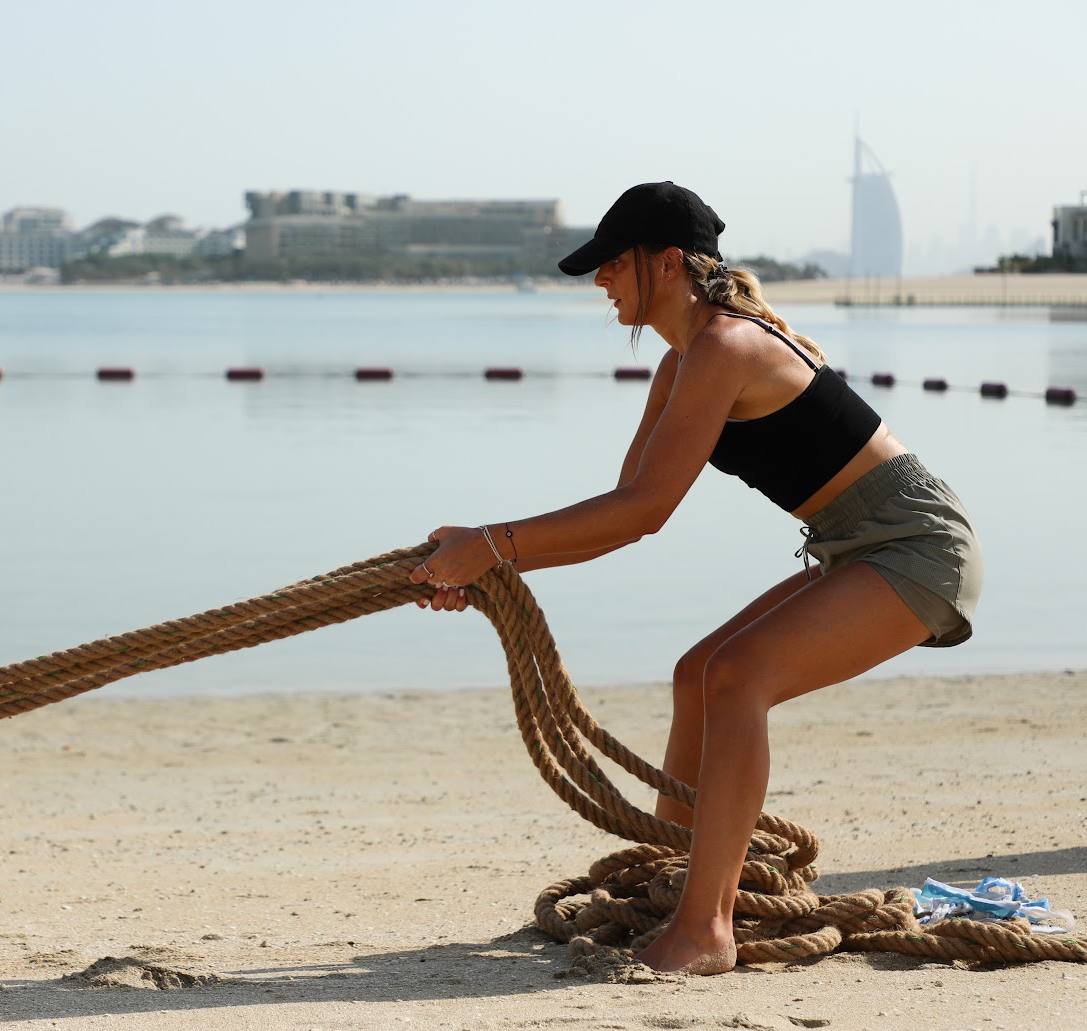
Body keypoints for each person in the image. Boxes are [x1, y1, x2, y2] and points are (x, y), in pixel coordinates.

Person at [410, 181, 982, 975]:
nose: (601, 279)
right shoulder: (681, 363)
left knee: (738, 677)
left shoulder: (725, 345)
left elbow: (643, 511)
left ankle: (707, 926)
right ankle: (675, 884)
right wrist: (482, 561)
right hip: (856, 544)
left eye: (614, 262)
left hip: (918, 546)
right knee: (697, 675)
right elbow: (621, 510)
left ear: (668, 263)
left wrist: (491, 546)